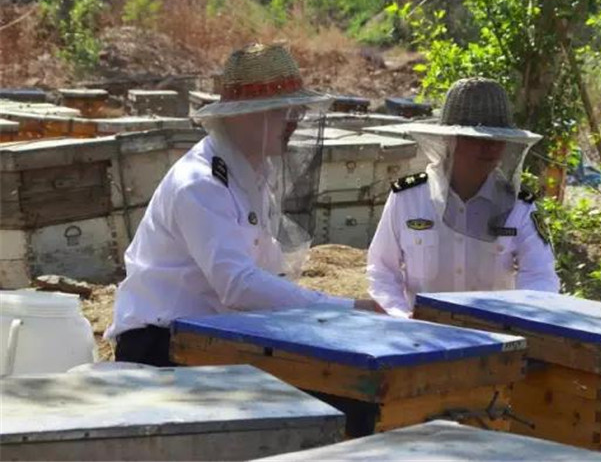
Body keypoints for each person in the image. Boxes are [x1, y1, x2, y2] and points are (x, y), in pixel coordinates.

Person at [106, 43, 377, 366]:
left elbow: (264, 270)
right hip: (159, 345)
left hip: (215, 335)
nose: (294, 122)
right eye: (282, 112)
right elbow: (237, 284)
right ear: (243, 116)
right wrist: (342, 309)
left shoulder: (252, 172)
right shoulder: (201, 183)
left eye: (297, 112)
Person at [367, 77, 560, 318]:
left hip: (494, 340)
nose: (489, 148)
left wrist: (520, 321)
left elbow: (540, 277)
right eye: (477, 139)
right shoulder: (408, 198)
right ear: (449, 140)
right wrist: (400, 315)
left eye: (497, 140)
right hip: (421, 338)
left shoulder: (520, 207)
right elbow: (382, 270)